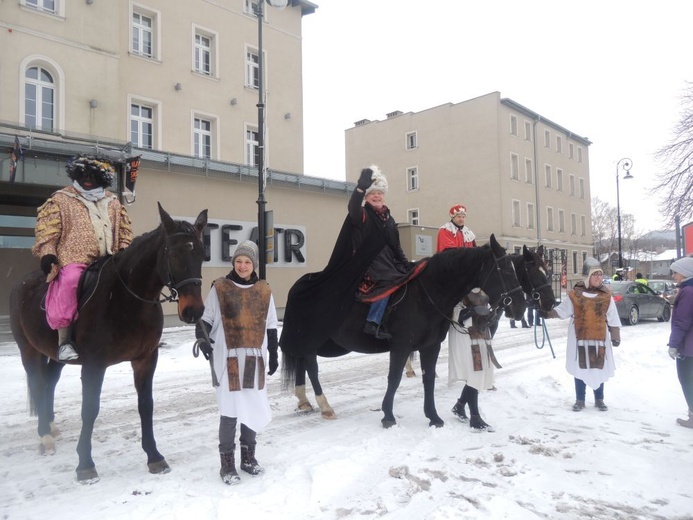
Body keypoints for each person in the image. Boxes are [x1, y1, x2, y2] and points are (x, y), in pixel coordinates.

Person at [32, 155, 133, 361]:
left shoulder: (113, 202)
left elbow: (124, 231)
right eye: (83, 175)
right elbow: (48, 231)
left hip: (109, 259)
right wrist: (48, 253)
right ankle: (64, 341)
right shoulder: (61, 199)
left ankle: (130, 331)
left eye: (93, 175)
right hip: (73, 259)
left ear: (102, 178)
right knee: (69, 282)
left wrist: (125, 250)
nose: (88, 179)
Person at [195, 240, 279, 484]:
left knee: (251, 407)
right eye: (239, 261)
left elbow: (271, 324)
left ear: (254, 265)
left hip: (255, 359)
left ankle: (248, 458)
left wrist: (273, 354)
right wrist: (202, 338)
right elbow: (207, 318)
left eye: (247, 262)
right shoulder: (220, 287)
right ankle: (227, 464)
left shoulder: (264, 290)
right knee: (230, 411)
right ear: (234, 263)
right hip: (227, 359)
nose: (243, 266)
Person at [544, 257, 621, 411]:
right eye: (595, 274)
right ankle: (580, 399)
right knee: (580, 368)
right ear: (587, 277)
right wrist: (547, 313)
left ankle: (599, 399)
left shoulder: (606, 295)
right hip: (579, 338)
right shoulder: (575, 295)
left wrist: (615, 335)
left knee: (598, 367)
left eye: (600, 274)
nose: (599, 277)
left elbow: (613, 316)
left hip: (599, 338)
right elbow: (562, 311)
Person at [356, 167, 411, 339]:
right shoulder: (363, 214)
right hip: (371, 262)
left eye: (380, 192)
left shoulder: (389, 218)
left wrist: (405, 263)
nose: (377, 196)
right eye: (373, 193)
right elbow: (352, 209)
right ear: (366, 197)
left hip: (390, 261)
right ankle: (372, 322)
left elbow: (396, 245)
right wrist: (359, 190)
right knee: (389, 280)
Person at [448, 288, 498, 431]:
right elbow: (456, 314)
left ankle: (459, 406)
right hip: (466, 337)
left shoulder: (482, 291)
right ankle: (475, 417)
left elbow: (487, 312)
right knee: (474, 373)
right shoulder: (461, 289)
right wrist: (472, 310)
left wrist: (492, 314)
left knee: (477, 374)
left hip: (481, 335)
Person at [667, 256, 693, 428]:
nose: (674, 276)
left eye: (676, 272)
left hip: (688, 346)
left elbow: (682, 321)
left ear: (684, 273)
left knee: (686, 378)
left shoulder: (688, 292)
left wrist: (674, 344)